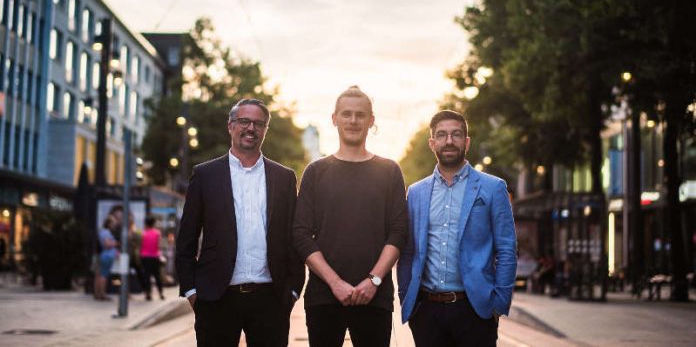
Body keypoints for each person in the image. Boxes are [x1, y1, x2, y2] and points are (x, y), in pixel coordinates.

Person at [176, 98, 305, 347]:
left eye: (259, 124)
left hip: (271, 298)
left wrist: (293, 289)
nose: (251, 128)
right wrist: (191, 291)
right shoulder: (205, 175)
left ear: (265, 130)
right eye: (244, 121)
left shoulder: (284, 177)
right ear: (230, 125)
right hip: (216, 298)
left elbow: (294, 237)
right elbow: (187, 238)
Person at [293, 86, 408, 347]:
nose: (353, 121)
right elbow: (301, 234)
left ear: (371, 121)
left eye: (360, 115)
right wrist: (335, 283)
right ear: (334, 119)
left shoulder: (389, 171)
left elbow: (399, 232)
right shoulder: (315, 171)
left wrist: (373, 280)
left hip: (375, 297)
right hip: (324, 296)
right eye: (346, 114)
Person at [397, 110, 517, 347]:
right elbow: (408, 251)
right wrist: (407, 299)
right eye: (441, 135)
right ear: (432, 143)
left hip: (475, 310)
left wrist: (499, 303)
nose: (449, 141)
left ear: (467, 141)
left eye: (456, 134)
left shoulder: (493, 188)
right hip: (427, 312)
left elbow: (506, 248)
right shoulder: (416, 192)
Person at [140, 215, 165, 301]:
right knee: (157, 275)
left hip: (145, 257)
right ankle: (161, 293)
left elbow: (140, 246)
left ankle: (148, 294)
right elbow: (159, 245)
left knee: (147, 276)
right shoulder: (157, 233)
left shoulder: (143, 233)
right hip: (155, 256)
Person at [94, 215, 119, 301]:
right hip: (107, 256)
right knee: (103, 275)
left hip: (104, 255)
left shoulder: (103, 232)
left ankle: (98, 293)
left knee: (99, 274)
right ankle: (102, 294)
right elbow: (107, 244)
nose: (114, 225)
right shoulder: (106, 232)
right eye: (113, 223)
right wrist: (116, 243)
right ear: (109, 223)